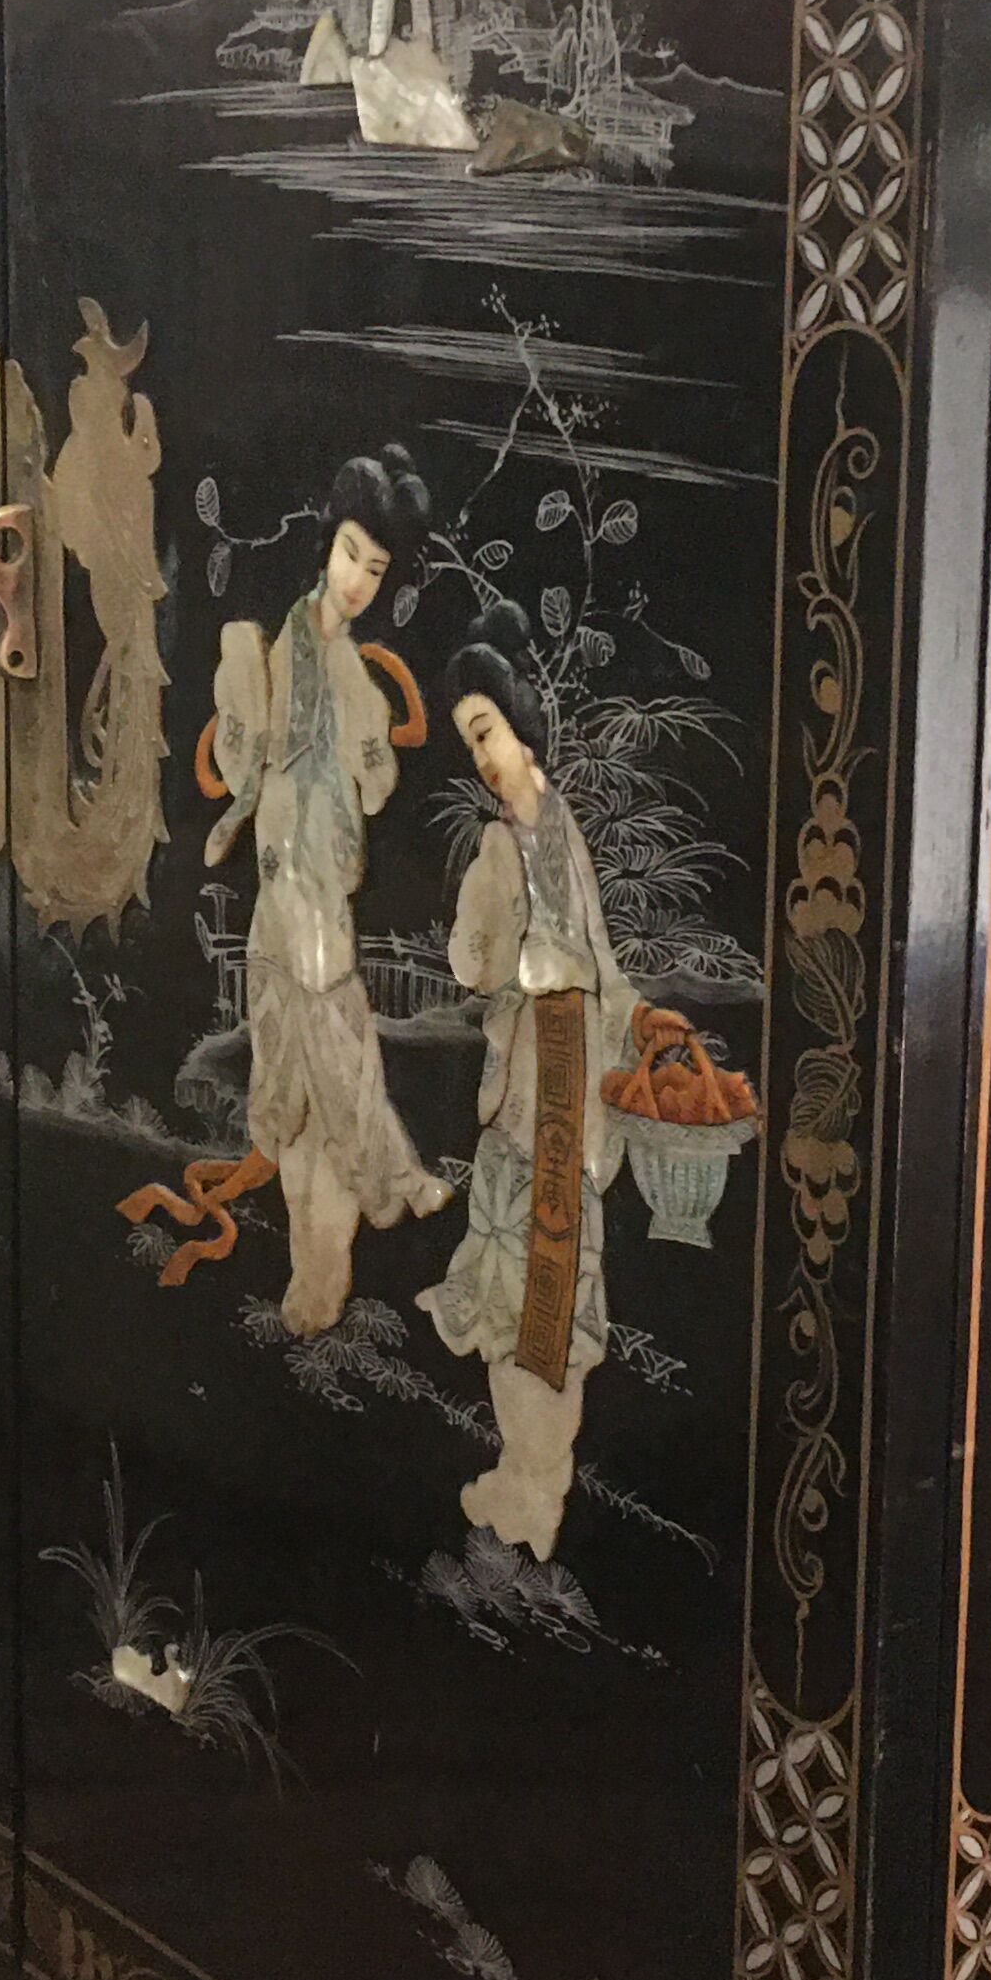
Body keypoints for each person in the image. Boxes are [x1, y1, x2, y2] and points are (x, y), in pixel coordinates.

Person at [194, 444, 448, 1333]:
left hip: (322, 898)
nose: (358, 581)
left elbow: (375, 784)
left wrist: (362, 745)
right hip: (279, 888)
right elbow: (240, 753)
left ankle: (324, 1269)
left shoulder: (354, 672)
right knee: (297, 1080)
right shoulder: (271, 648)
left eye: (376, 571)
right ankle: (312, 1271)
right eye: (351, 556)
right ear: (325, 544)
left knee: (336, 1074)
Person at [420, 610, 633, 1559]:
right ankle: (524, 1480)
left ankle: (541, 1489)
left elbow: (593, 960)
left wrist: (635, 1027)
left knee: (552, 1298)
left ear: (521, 729)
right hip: (531, 1098)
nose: (482, 761)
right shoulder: (506, 847)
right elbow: (473, 964)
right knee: (517, 1302)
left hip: (569, 1092)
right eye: (472, 744)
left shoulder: (550, 836)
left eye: (487, 736)